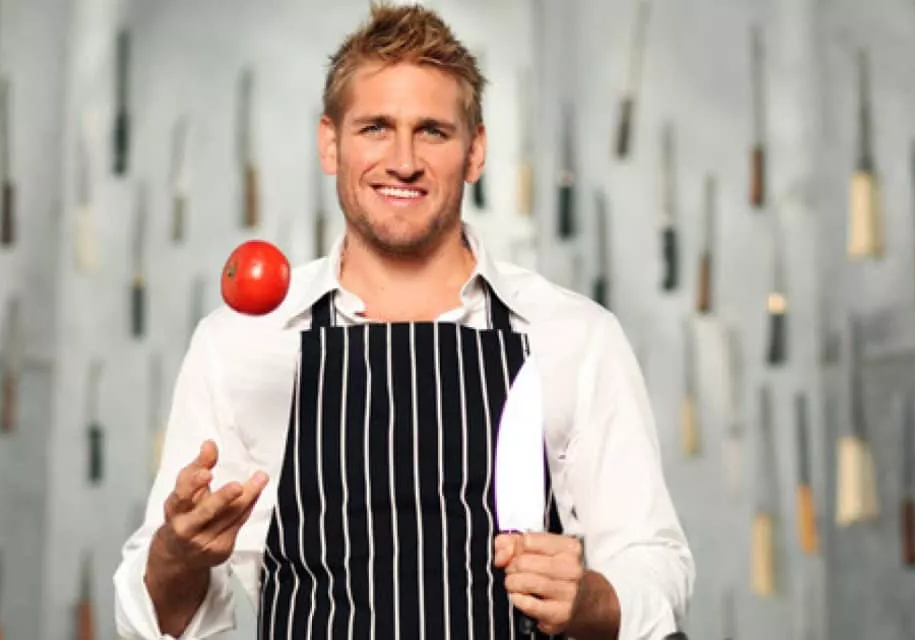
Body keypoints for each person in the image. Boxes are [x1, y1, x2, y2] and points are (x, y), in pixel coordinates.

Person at [114, 4, 694, 639]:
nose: (403, 161)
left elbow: (654, 563)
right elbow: (163, 622)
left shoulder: (573, 336)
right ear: (330, 143)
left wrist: (590, 601)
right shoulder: (241, 343)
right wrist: (178, 555)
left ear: (475, 151)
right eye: (375, 128)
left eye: (433, 132)